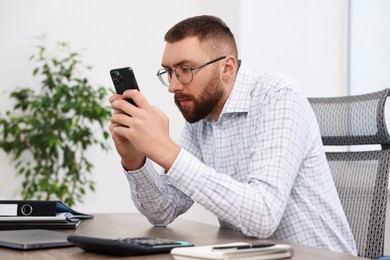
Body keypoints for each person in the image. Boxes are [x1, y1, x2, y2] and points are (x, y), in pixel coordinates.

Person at [109, 15, 357, 255]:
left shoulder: (277, 94)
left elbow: (263, 216)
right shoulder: (201, 118)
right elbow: (163, 211)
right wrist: (135, 160)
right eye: (169, 72)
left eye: (185, 69)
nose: (173, 86)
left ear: (227, 67)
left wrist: (167, 152)